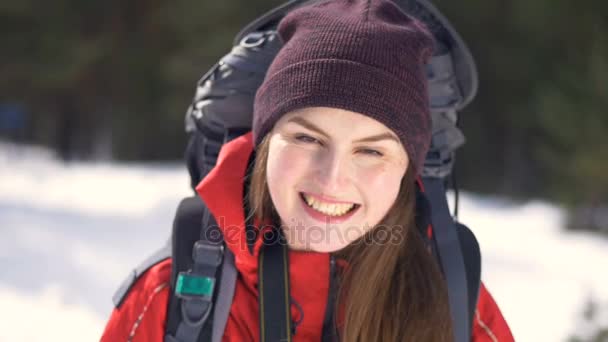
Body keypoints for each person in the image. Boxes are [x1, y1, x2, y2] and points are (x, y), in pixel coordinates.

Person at [102, 0, 514, 340]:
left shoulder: (456, 303)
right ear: (265, 142)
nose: (332, 178)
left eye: (371, 151)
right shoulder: (166, 296)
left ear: (408, 171)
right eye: (307, 138)